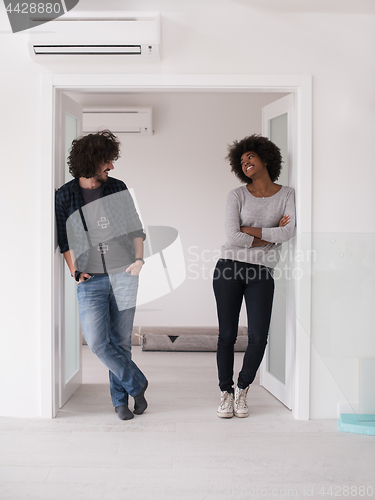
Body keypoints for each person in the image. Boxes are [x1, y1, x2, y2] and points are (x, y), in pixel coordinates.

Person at [55, 130, 148, 421]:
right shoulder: (65, 195)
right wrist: (74, 271)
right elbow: (64, 241)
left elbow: (135, 228)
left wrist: (139, 259)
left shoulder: (117, 187)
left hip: (124, 274)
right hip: (90, 279)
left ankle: (120, 402)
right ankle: (137, 384)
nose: (111, 166)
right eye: (107, 160)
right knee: (97, 342)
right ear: (91, 161)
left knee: (120, 342)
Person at [213, 134, 295, 418]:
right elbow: (232, 237)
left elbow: (288, 232)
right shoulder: (236, 195)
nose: (245, 162)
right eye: (242, 160)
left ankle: (242, 388)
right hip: (229, 268)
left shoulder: (287, 195)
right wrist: (267, 237)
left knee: (259, 337)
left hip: (262, 271)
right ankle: (225, 392)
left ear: (265, 158)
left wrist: (250, 230)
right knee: (227, 335)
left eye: (250, 157)